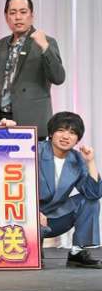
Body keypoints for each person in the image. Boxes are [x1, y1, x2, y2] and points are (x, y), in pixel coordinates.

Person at [0, 0, 66, 138]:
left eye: (23, 12)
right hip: (1, 119)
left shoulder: (46, 41)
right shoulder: (1, 45)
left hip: (31, 120)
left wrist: (45, 47)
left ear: (31, 15)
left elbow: (58, 77)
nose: (18, 17)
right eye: (13, 13)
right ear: (6, 17)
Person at [38, 112, 102, 268]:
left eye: (72, 133)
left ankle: (77, 252)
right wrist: (32, 212)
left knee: (90, 202)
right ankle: (34, 246)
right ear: (51, 133)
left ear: (77, 139)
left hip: (54, 218)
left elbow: (94, 193)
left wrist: (90, 162)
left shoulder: (77, 159)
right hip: (25, 217)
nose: (66, 136)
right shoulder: (35, 151)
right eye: (61, 130)